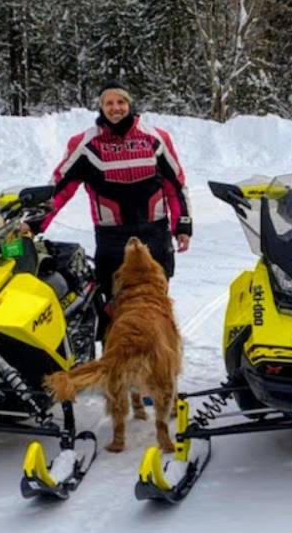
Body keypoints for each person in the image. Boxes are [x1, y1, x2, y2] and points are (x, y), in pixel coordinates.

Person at [30, 79, 192, 339]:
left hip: (154, 233)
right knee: (113, 306)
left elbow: (176, 185)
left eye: (121, 102)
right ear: (100, 107)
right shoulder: (84, 144)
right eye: (109, 103)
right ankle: (114, 361)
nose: (116, 108)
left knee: (154, 302)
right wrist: (35, 223)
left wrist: (182, 225)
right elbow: (60, 189)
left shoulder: (156, 138)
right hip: (112, 236)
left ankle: (158, 359)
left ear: (130, 104)